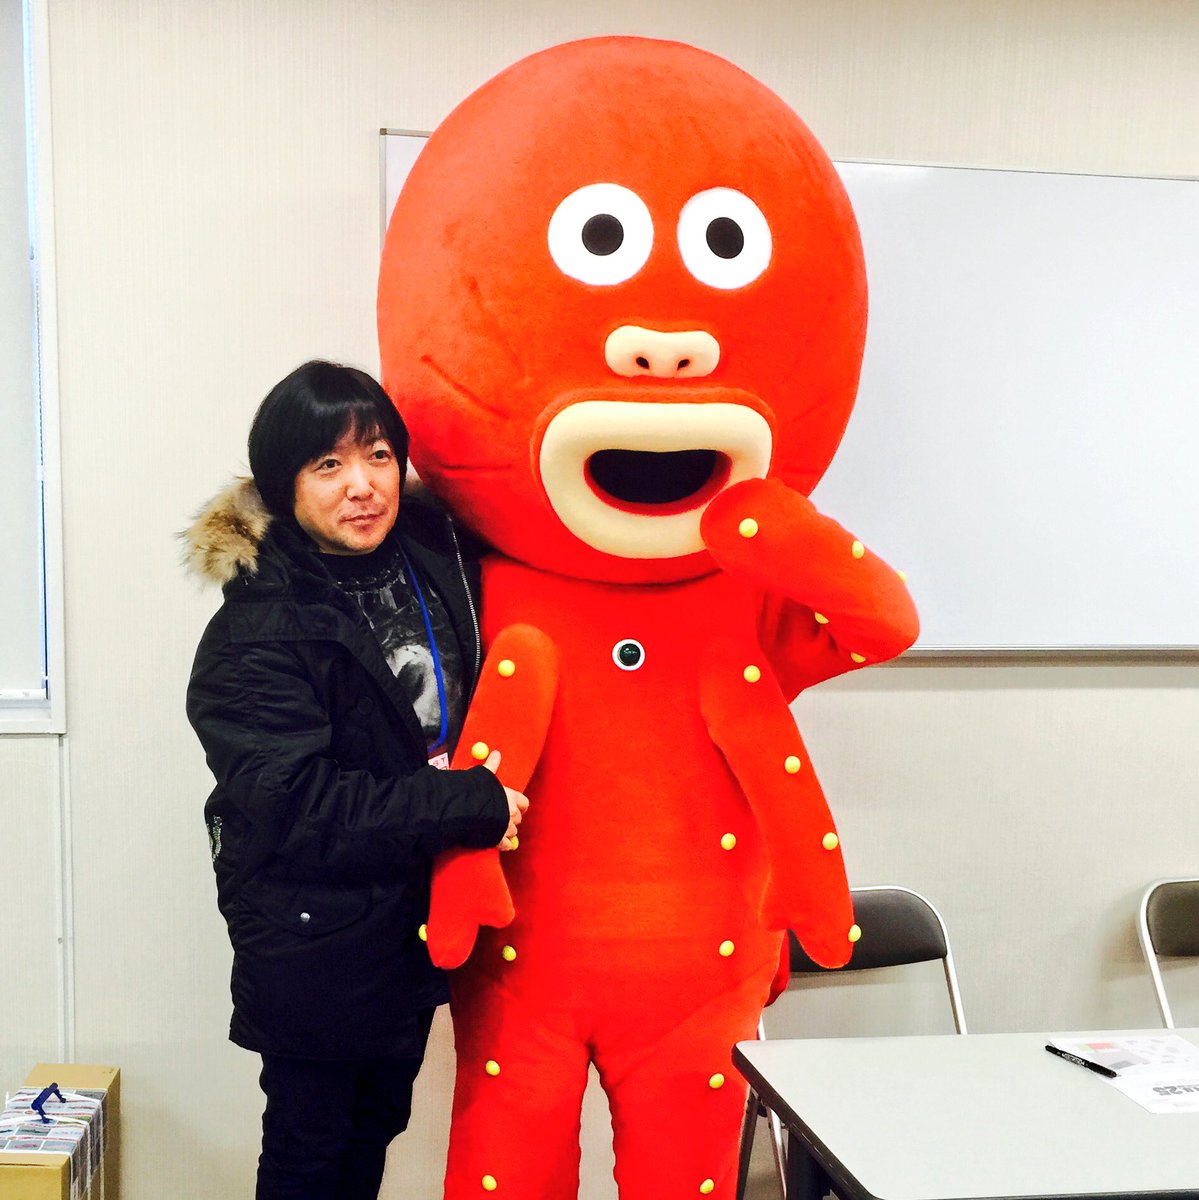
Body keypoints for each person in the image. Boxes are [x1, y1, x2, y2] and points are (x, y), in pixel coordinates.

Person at [184, 360, 527, 1200]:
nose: (363, 486)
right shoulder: (257, 628)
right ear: (284, 484)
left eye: (377, 455)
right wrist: (469, 805)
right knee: (311, 1154)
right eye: (327, 465)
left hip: (407, 918)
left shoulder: (434, 555)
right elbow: (298, 805)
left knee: (373, 1130)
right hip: (313, 936)